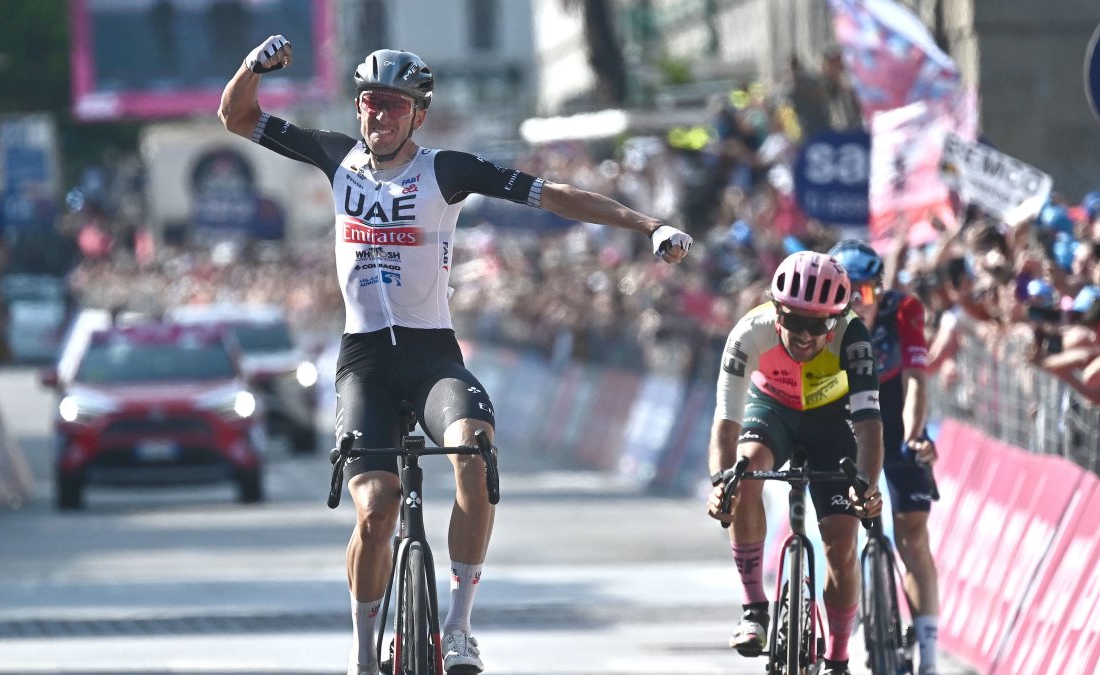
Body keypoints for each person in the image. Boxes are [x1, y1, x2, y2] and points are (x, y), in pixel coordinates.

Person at [219, 36, 692, 675]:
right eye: (368, 104)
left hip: (431, 355)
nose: (376, 116)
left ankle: (460, 627)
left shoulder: (447, 170)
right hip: (364, 364)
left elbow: (552, 193)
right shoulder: (335, 158)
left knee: (475, 449)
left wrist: (647, 226)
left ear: (418, 114)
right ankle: (363, 657)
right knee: (377, 507)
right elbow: (237, 117)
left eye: (391, 106)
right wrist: (252, 67)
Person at [706, 250, 884, 675]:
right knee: (743, 474)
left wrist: (867, 487)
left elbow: (869, 426)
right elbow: (726, 424)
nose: (805, 336)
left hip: (831, 420)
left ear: (836, 320)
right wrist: (719, 483)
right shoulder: (750, 330)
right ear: (777, 312)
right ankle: (754, 611)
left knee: (841, 545)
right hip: (773, 409)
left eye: (819, 324)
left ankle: (839, 658)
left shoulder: (853, 337)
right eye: (796, 322)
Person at [828, 239, 942, 675]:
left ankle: (929, 656)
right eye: (848, 294)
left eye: (868, 293)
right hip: (842, 416)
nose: (859, 304)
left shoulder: (904, 310)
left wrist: (914, 437)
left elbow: (917, 381)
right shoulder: (821, 315)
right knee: (842, 530)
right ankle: (855, 622)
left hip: (895, 414)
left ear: (881, 290)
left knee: (913, 535)